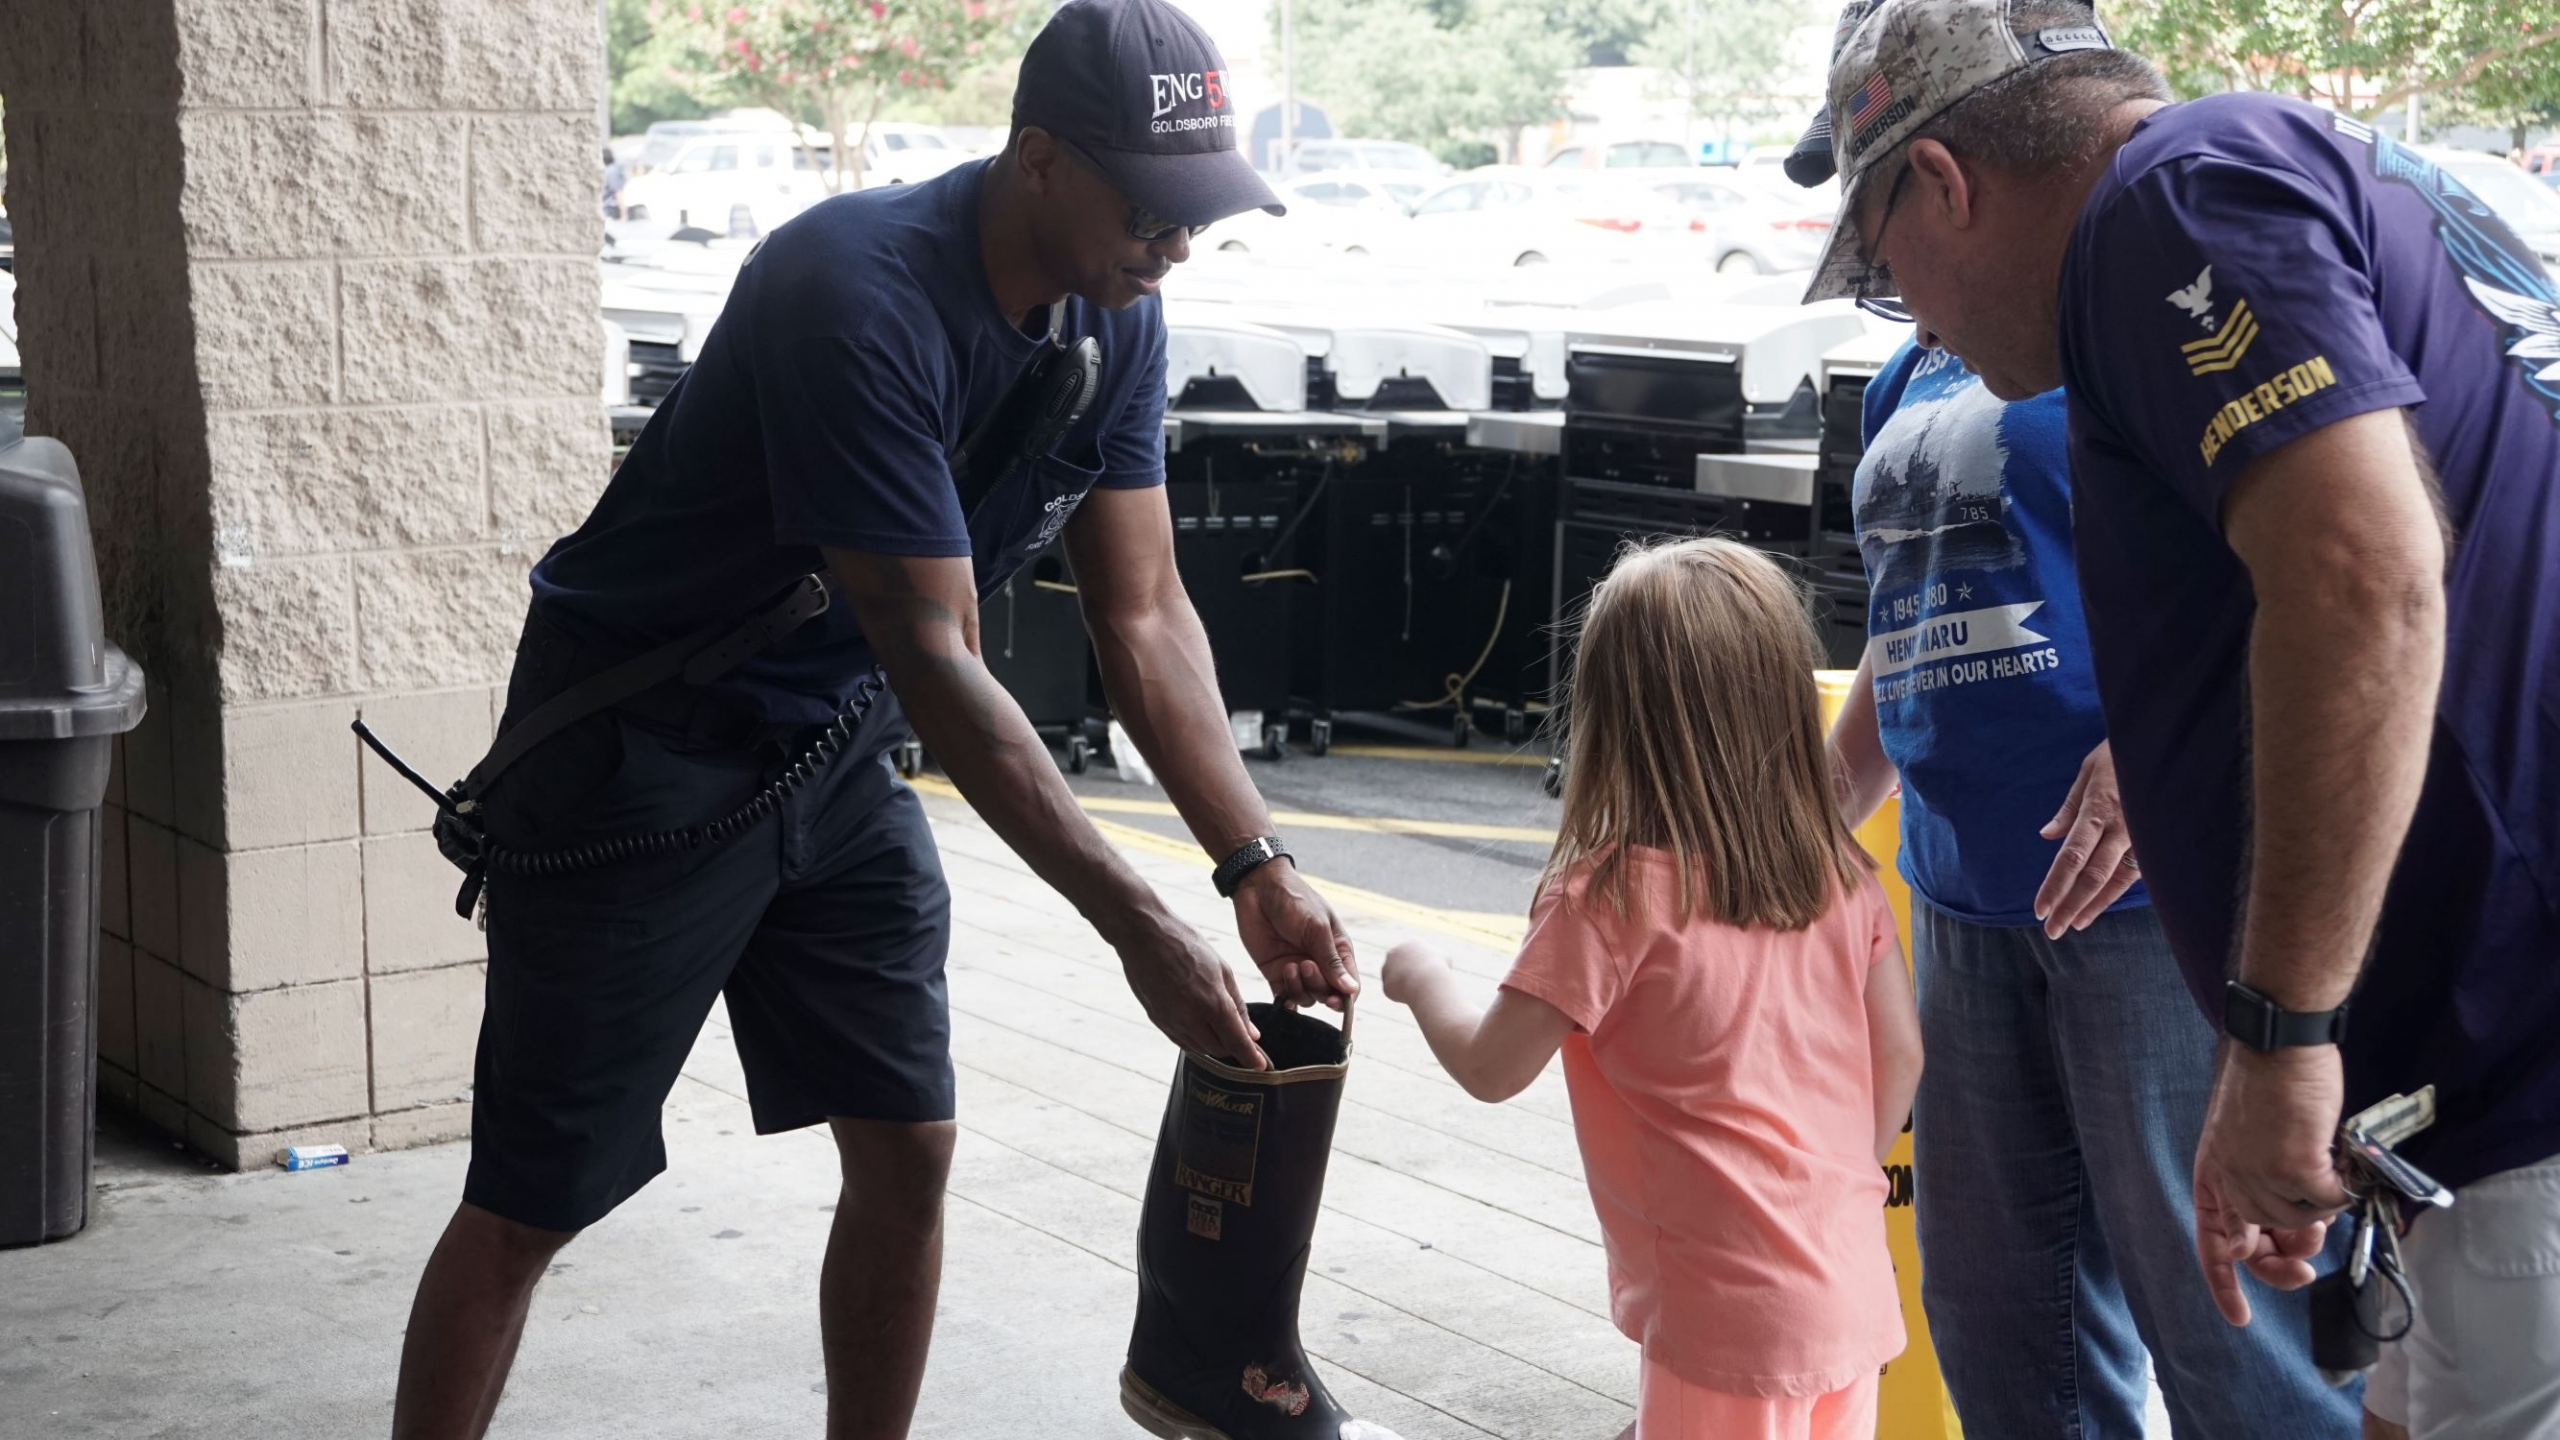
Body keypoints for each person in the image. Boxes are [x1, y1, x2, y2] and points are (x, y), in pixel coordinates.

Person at [388, 3, 1359, 1438]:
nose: (1176, 248)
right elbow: (936, 655)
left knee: (909, 1142)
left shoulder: (1119, 314)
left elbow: (1143, 615)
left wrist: (1251, 861)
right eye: (1154, 208)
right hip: (641, 758)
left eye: (1201, 214)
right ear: (1039, 158)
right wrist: (1135, 921)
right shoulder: (854, 290)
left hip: (828, 748)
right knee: (535, 1196)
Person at [1803, 3, 2560, 1435]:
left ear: (1946, 184)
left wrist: (2279, 1039)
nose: (1919, 320)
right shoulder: (2295, 174)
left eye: (1892, 275)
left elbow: (2364, 580)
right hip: (2461, 1074)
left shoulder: (2171, 196)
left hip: (2519, 1063)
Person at [1378, 537, 1921, 1440]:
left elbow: (1491, 1066)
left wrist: (1418, 974)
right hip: (1849, 1287)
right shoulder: (1840, 875)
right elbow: (1900, 1053)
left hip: (1722, 1310)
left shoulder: (1611, 895)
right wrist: (1825, 1184)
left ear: (1612, 714)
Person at [600, 144, 626, 219]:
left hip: (609, 210)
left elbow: (618, 192)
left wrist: (623, 214)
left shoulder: (611, 171)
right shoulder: (612, 169)